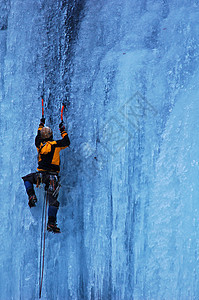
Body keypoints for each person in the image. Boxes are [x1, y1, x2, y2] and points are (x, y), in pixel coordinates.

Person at [22, 117, 70, 233]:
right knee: (53, 201)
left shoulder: (39, 145)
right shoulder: (56, 144)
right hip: (52, 177)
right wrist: (62, 130)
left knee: (27, 179)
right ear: (51, 135)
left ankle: (31, 195)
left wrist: (41, 124)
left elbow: (37, 137)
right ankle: (51, 223)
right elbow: (67, 142)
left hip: (41, 175)